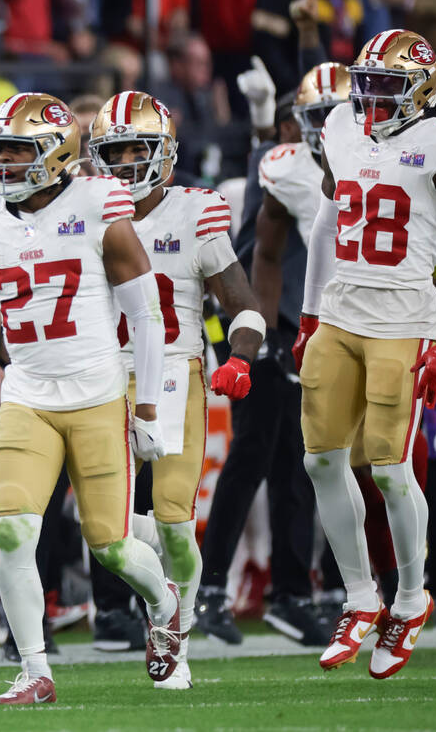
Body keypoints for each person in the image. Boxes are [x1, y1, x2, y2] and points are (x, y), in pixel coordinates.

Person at [0, 91, 177, 704]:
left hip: (98, 395)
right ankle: (34, 669)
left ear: (58, 153)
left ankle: (164, 603)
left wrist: (150, 406)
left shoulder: (99, 200)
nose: (1, 164)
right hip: (26, 396)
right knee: (12, 531)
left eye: (16, 151)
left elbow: (147, 313)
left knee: (110, 546)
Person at [294, 29, 436, 678]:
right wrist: (311, 310)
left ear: (421, 89)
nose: (371, 96)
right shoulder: (341, 124)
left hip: (404, 315)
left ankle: (409, 597)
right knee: (320, 459)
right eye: (365, 83)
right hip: (341, 308)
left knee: (392, 469)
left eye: (388, 86)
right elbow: (323, 222)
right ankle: (360, 595)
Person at [87, 90, 266, 688]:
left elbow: (244, 308)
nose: (127, 164)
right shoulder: (78, 208)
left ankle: (175, 635)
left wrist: (240, 358)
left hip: (172, 372)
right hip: (99, 372)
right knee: (100, 523)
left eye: (138, 149)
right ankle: (163, 600)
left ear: (164, 153)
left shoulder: (196, 211)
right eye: (114, 152)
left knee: (171, 520)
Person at [196, 66, 348, 647]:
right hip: (264, 328)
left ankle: (291, 591)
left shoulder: (346, 161)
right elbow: (257, 258)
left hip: (308, 329)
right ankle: (213, 587)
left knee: (299, 465)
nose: (333, 125)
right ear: (290, 124)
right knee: (253, 456)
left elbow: (317, 94)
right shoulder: (280, 162)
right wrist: (252, 342)